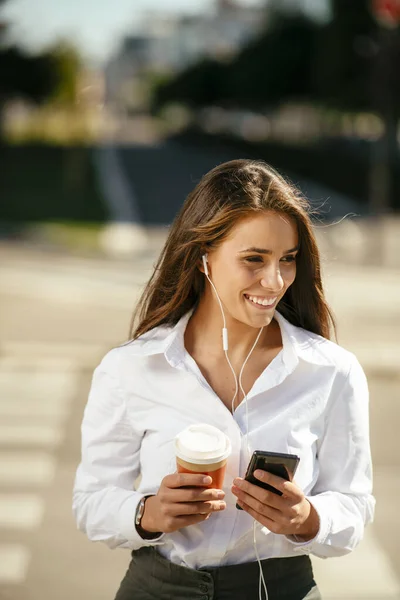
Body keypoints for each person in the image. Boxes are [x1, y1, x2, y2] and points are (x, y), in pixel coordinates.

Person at [73, 159, 375, 600]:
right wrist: (150, 512)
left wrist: (307, 518)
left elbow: (354, 504)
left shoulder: (331, 371)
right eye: (254, 259)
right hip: (157, 589)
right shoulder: (131, 368)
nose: (274, 281)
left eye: (287, 259)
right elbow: (91, 501)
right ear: (204, 258)